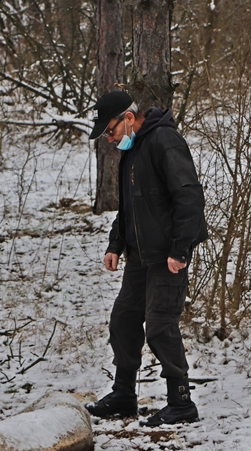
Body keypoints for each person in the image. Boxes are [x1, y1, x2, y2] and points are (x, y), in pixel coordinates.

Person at [85, 90, 208, 427]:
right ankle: (124, 394)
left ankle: (181, 401)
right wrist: (115, 244)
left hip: (168, 256)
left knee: (159, 327)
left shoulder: (164, 141)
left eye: (110, 131)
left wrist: (180, 249)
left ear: (128, 118)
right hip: (139, 256)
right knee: (123, 322)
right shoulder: (132, 151)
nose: (110, 139)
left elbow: (189, 198)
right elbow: (129, 208)